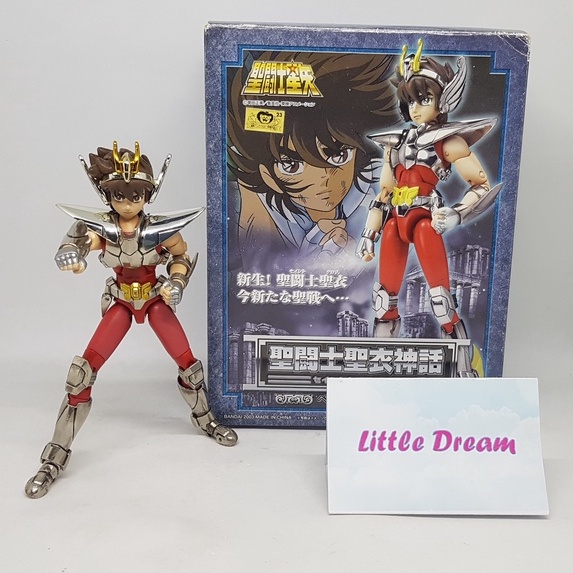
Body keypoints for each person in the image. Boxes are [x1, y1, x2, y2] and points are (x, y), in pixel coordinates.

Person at [25, 142, 237, 499]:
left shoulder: (161, 229)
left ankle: (205, 419)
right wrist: (73, 256)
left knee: (189, 365)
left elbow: (180, 257)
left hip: (154, 300)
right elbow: (78, 244)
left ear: (147, 194)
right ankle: (55, 456)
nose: (127, 203)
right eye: (119, 196)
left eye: (135, 195)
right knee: (81, 375)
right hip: (121, 303)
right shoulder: (102, 228)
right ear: (107, 195)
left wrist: (177, 282)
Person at [357, 40, 501, 376]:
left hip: (425, 222)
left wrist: (457, 213)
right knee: (383, 301)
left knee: (440, 301)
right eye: (410, 101)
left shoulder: (448, 141)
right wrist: (369, 233)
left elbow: (480, 185)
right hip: (394, 224)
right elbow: (384, 193)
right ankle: (378, 373)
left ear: (443, 100)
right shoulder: (396, 143)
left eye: (424, 99)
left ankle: (464, 370)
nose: (415, 108)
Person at [227, 51, 397, 270]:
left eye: (337, 155)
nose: (324, 180)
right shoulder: (264, 201)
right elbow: (257, 272)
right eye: (292, 165)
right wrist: (311, 255)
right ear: (268, 176)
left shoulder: (376, 180)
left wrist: (355, 258)